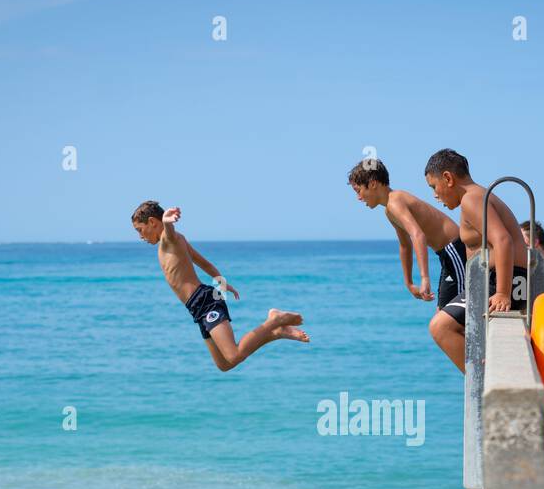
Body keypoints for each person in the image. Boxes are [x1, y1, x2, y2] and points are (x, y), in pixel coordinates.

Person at [131, 201, 308, 371]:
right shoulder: (175, 242)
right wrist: (222, 284)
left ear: (153, 222)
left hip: (205, 301)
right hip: (197, 307)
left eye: (140, 230)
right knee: (224, 365)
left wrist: (167, 222)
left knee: (233, 355)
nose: (140, 236)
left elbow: (169, 233)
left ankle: (273, 320)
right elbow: (204, 264)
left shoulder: (170, 239)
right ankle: (275, 332)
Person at [347, 159, 468, 370]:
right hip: (446, 256)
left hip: (455, 251)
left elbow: (418, 236)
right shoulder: (389, 210)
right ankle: (475, 372)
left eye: (359, 190)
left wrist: (424, 278)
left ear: (373, 183)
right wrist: (408, 282)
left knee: (452, 321)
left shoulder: (395, 201)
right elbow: (405, 246)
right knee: (444, 315)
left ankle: (479, 373)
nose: (358, 197)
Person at [422, 149, 529, 369]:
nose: (434, 195)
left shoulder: (471, 199)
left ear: (448, 178)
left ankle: (481, 383)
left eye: (434, 187)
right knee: (449, 321)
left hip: (502, 280)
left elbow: (503, 240)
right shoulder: (477, 196)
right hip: (497, 279)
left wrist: (502, 292)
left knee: (440, 327)